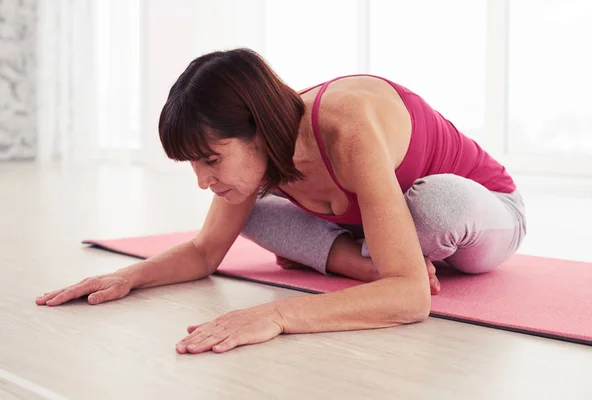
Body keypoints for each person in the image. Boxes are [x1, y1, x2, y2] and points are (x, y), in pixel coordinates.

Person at [35, 48, 527, 354]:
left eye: (211, 160)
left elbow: (410, 297)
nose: (203, 182)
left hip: (483, 217)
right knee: (259, 212)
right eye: (193, 165)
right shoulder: (260, 158)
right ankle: (363, 260)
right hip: (381, 230)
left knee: (434, 204)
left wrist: (277, 315)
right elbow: (206, 251)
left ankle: (360, 257)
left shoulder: (347, 126)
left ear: (258, 128)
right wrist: (126, 276)